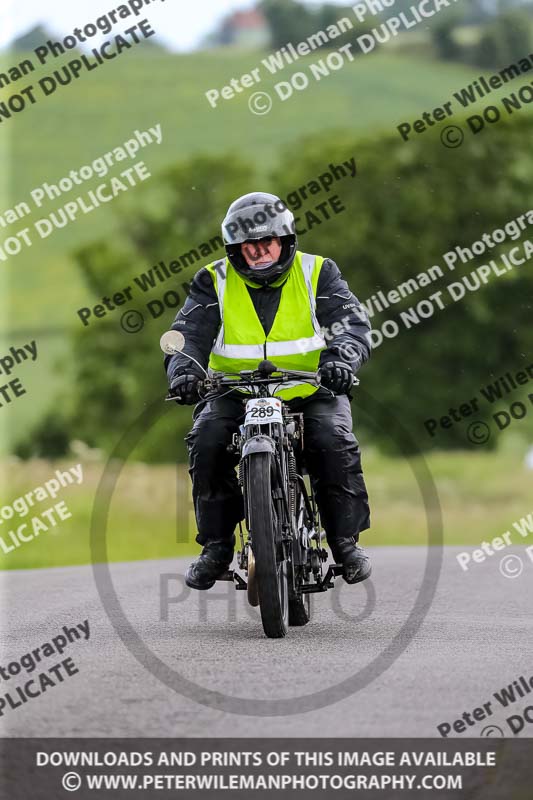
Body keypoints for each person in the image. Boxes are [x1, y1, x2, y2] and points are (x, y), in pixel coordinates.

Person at [164, 191, 372, 591]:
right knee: (206, 442)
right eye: (249, 246)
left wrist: (341, 362)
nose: (258, 253)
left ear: (285, 241)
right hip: (234, 391)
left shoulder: (318, 271)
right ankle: (218, 546)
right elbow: (187, 335)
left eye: (266, 243)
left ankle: (345, 543)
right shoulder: (213, 280)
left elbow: (351, 324)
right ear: (235, 248)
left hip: (311, 387)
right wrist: (182, 372)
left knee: (333, 441)